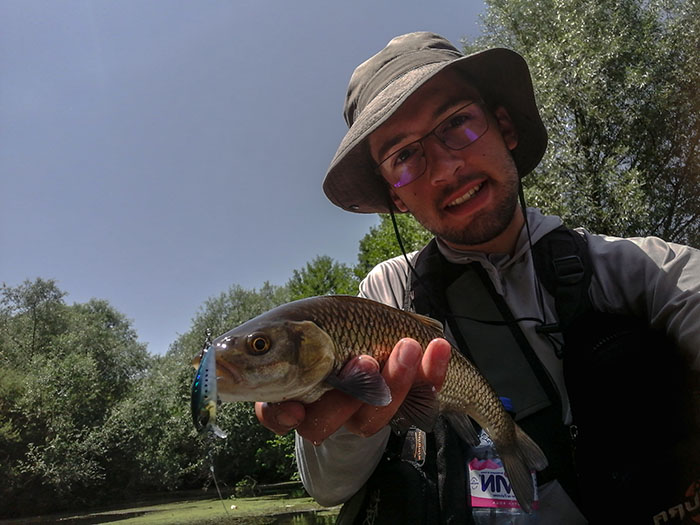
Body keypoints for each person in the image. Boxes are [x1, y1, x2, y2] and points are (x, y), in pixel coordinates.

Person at [255, 32, 700, 523]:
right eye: (403, 155)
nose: (444, 170)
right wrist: (341, 416)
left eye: (457, 122)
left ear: (504, 126)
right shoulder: (383, 296)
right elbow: (329, 487)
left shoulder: (638, 268)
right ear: (395, 197)